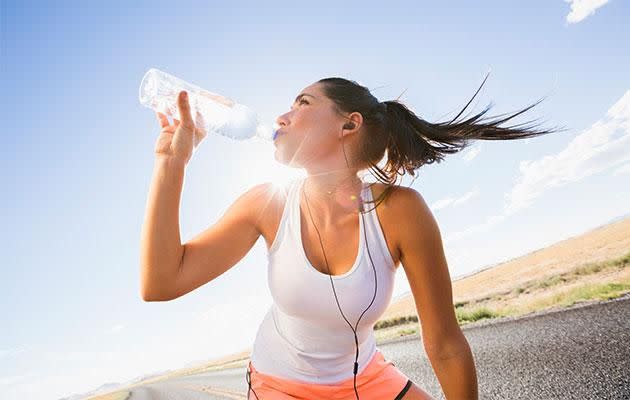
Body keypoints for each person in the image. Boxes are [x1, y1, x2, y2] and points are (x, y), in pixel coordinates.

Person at [140, 74, 565, 399]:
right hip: (279, 387)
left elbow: (445, 344)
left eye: (302, 103)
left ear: (349, 124)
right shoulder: (266, 204)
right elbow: (162, 282)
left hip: (366, 379)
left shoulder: (401, 212)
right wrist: (170, 162)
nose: (281, 116)